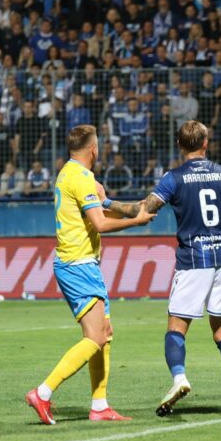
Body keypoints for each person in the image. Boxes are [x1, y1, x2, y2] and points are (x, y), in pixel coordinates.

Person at [104, 121, 221, 419]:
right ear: (206, 143)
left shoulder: (173, 178)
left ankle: (179, 378)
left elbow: (142, 210)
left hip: (193, 260)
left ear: (179, 145)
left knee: (176, 328)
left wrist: (107, 202)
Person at [25, 125, 155, 425]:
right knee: (95, 337)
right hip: (78, 264)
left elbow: (98, 212)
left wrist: (130, 209)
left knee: (104, 334)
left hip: (80, 263)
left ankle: (100, 406)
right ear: (93, 149)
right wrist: (135, 222)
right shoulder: (82, 178)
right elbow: (100, 224)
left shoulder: (68, 173)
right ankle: (43, 392)